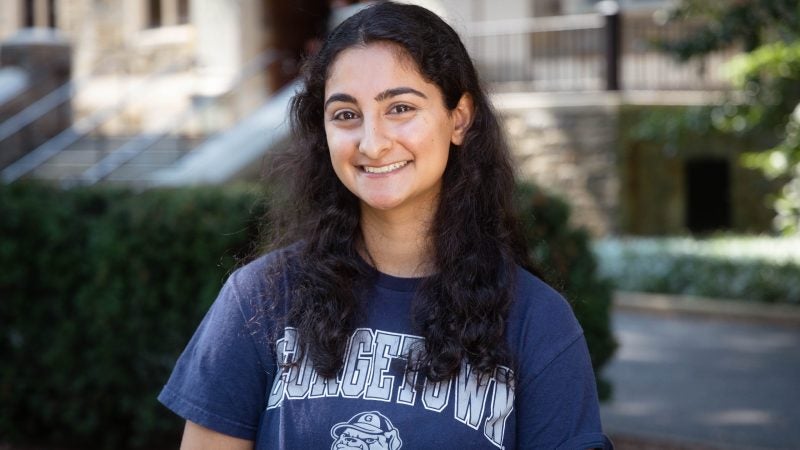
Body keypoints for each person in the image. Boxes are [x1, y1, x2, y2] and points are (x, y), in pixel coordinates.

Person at [158, 2, 613, 449]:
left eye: (400, 108)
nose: (373, 144)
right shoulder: (259, 299)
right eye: (346, 114)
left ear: (459, 118)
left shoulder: (538, 323)